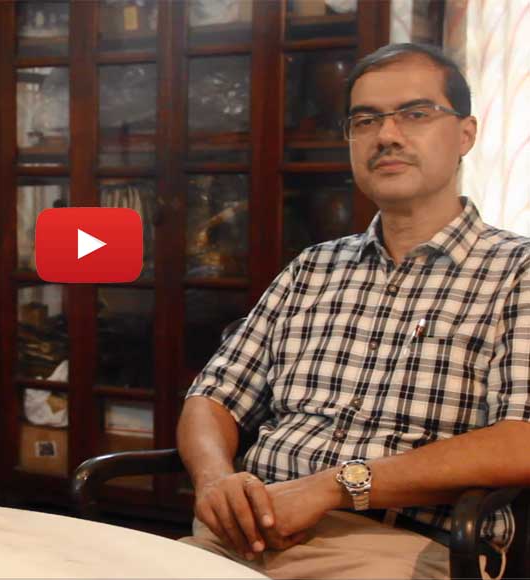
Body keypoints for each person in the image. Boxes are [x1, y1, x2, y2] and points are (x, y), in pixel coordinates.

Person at [178, 43, 530, 579]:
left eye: (415, 114)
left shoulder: (516, 271)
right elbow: (213, 396)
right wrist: (214, 481)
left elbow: (521, 440)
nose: (387, 135)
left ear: (466, 134)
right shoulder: (312, 268)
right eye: (365, 120)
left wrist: (333, 487)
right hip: (245, 538)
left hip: (402, 548)